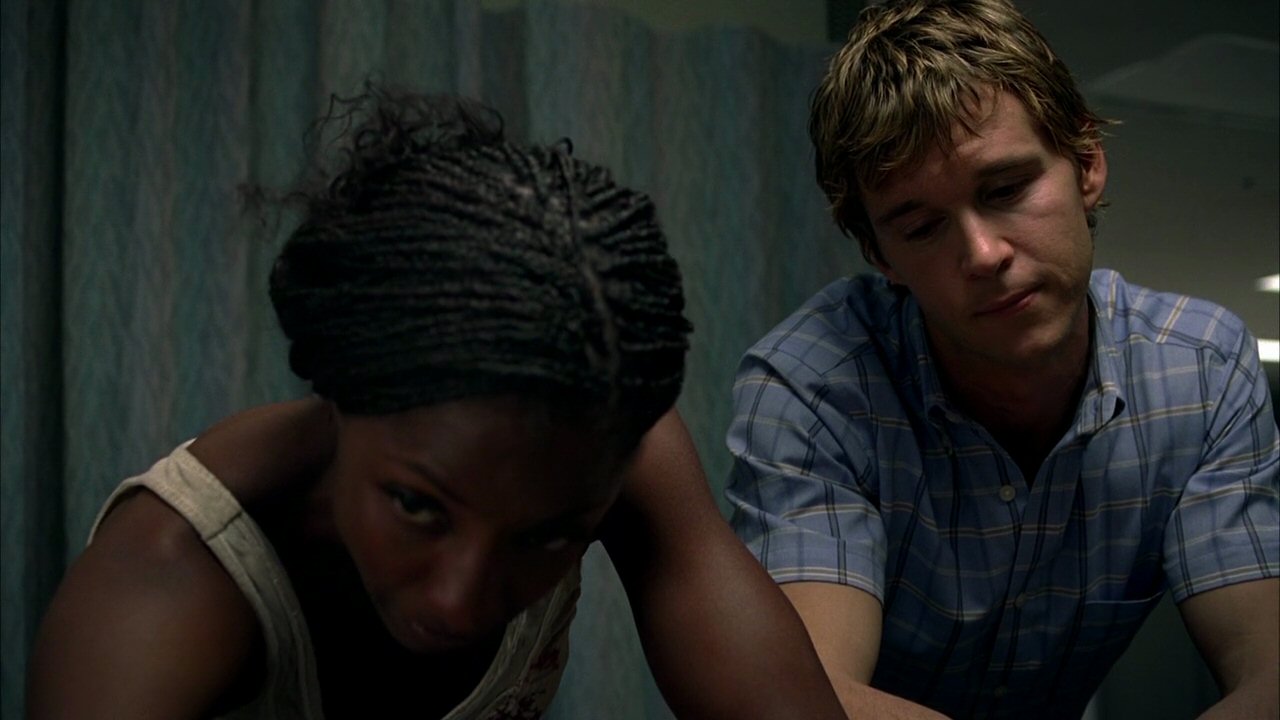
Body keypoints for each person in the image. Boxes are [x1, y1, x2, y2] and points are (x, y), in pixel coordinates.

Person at [28, 90, 847, 719]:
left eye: (546, 536)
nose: (462, 600)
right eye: (418, 507)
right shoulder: (168, 583)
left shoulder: (599, 446)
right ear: (339, 388)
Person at [724, 1, 1280, 718]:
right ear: (880, 256)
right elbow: (811, 700)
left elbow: (1269, 675)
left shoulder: (1201, 370)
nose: (983, 255)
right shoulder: (813, 388)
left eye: (1007, 190)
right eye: (922, 227)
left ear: (1086, 165)